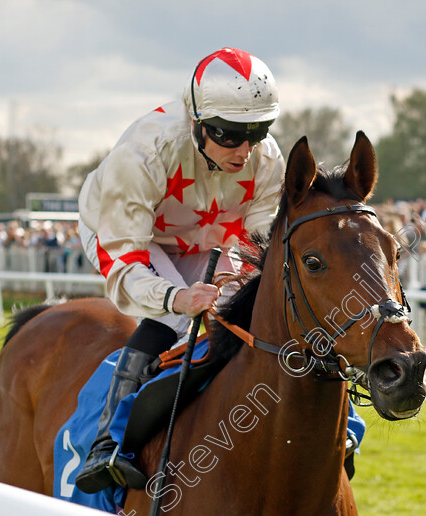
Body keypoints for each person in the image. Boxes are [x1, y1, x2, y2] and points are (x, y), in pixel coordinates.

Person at [75, 48, 286, 493]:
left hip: (201, 239)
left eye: (258, 132)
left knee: (233, 311)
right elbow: (125, 267)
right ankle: (106, 443)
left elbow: (258, 253)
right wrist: (177, 298)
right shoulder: (143, 153)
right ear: (198, 123)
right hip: (123, 234)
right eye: (230, 136)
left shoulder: (267, 159)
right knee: (178, 317)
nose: (245, 151)